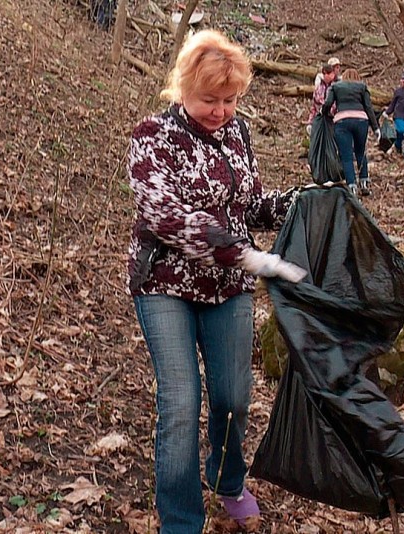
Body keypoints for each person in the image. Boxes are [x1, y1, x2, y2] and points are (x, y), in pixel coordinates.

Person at [126, 29, 306, 533]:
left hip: (228, 286)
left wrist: (300, 202)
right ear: (183, 87)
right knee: (181, 404)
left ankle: (227, 480)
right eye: (210, 99)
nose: (221, 111)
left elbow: (249, 204)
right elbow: (165, 216)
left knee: (232, 398)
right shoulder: (151, 137)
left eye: (230, 100)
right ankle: (181, 521)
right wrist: (244, 255)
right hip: (165, 282)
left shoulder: (237, 133)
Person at [321, 68, 379, 197]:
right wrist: (375, 127)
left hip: (342, 121)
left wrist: (324, 113)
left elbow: (328, 103)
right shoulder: (362, 87)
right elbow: (368, 107)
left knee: (346, 155)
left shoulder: (335, 87)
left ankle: (352, 186)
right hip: (361, 121)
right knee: (360, 152)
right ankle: (364, 182)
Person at [306, 63, 336, 132]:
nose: (326, 76)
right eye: (324, 74)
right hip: (319, 120)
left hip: (332, 121)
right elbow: (314, 106)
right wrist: (310, 121)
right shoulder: (318, 88)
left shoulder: (336, 87)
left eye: (329, 73)